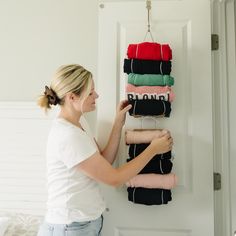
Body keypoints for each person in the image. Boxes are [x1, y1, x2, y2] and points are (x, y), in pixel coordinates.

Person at [37, 64, 173, 236]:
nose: (97, 95)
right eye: (91, 92)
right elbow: (114, 179)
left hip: (82, 224)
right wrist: (153, 150)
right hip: (70, 228)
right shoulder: (68, 136)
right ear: (72, 97)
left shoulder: (79, 123)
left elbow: (104, 162)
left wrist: (118, 123)